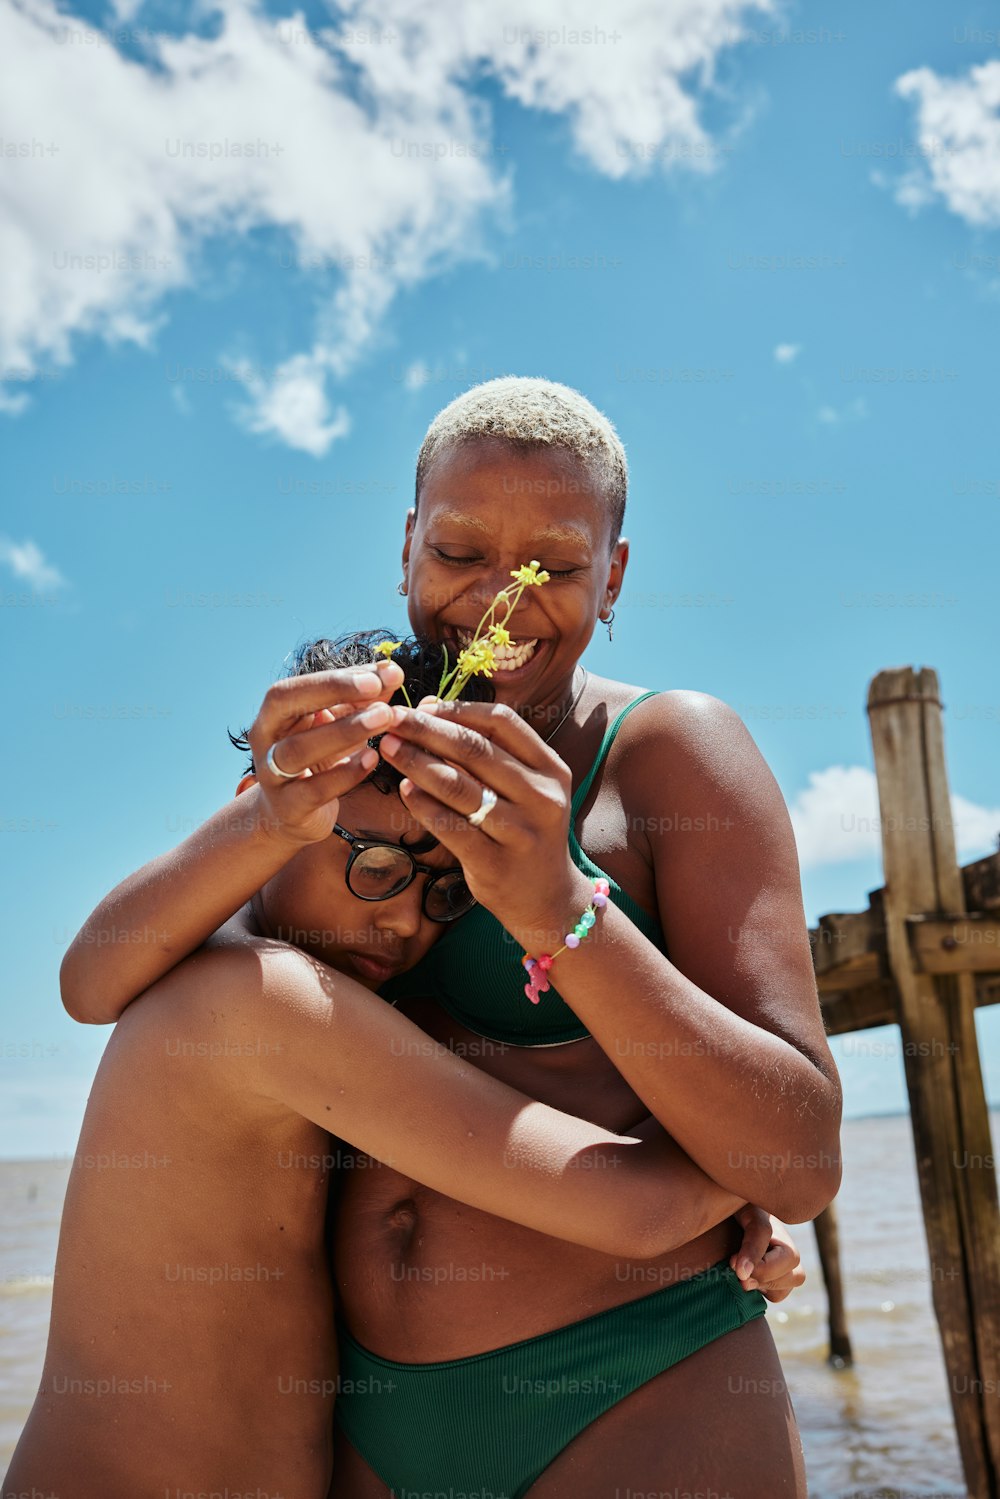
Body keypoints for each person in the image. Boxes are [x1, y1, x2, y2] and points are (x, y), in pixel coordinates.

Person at [58, 377, 838, 1496]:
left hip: (635, 1383)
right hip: (365, 1419)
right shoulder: (356, 767)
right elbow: (108, 978)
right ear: (407, 545)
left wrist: (553, 902)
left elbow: (799, 1156)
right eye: (460, 551)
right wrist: (267, 810)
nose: (500, 601)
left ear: (613, 574)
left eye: (555, 567)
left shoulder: (665, 754)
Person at [3, 634, 786, 1499]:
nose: (407, 919)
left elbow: (90, 978)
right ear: (267, 811)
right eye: (374, 866)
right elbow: (637, 1211)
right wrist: (750, 1164)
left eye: (446, 892)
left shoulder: (249, 976)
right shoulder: (264, 995)